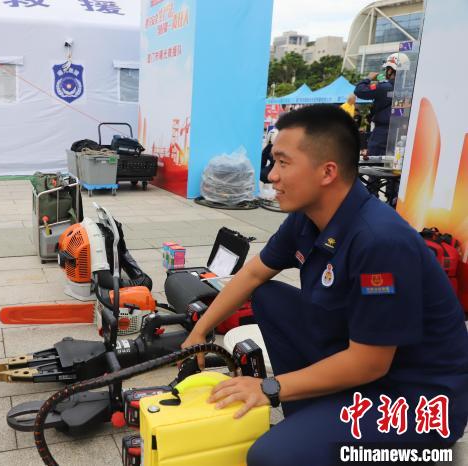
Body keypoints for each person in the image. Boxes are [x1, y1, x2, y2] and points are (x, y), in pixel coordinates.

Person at [181, 105, 468, 465]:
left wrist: (270, 386)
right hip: (363, 365)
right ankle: (312, 419)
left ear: (327, 172)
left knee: (269, 457)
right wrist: (200, 331)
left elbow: (369, 365)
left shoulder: (379, 241)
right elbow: (254, 275)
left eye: (284, 163)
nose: (271, 176)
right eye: (273, 162)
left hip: (414, 399)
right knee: (268, 295)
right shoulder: (307, 219)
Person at [354, 53, 406, 157]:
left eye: (387, 69)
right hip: (401, 133)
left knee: (374, 165)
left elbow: (359, 90)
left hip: (381, 134)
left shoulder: (384, 87)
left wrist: (368, 78)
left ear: (390, 70)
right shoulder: (408, 88)